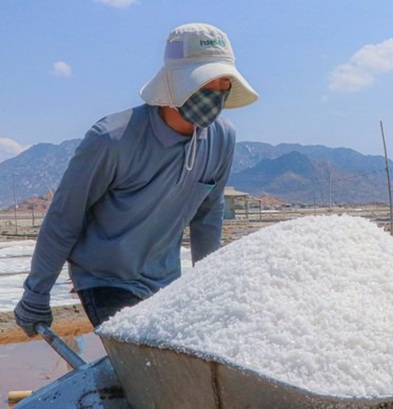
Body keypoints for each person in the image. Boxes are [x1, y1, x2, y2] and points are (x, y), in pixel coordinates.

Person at [14, 22, 258, 335]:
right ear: (173, 83)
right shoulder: (113, 139)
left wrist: (207, 289)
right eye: (203, 85)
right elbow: (64, 218)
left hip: (165, 279)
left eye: (223, 85)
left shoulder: (221, 138)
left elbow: (208, 218)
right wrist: (36, 293)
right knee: (142, 353)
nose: (214, 96)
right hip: (105, 278)